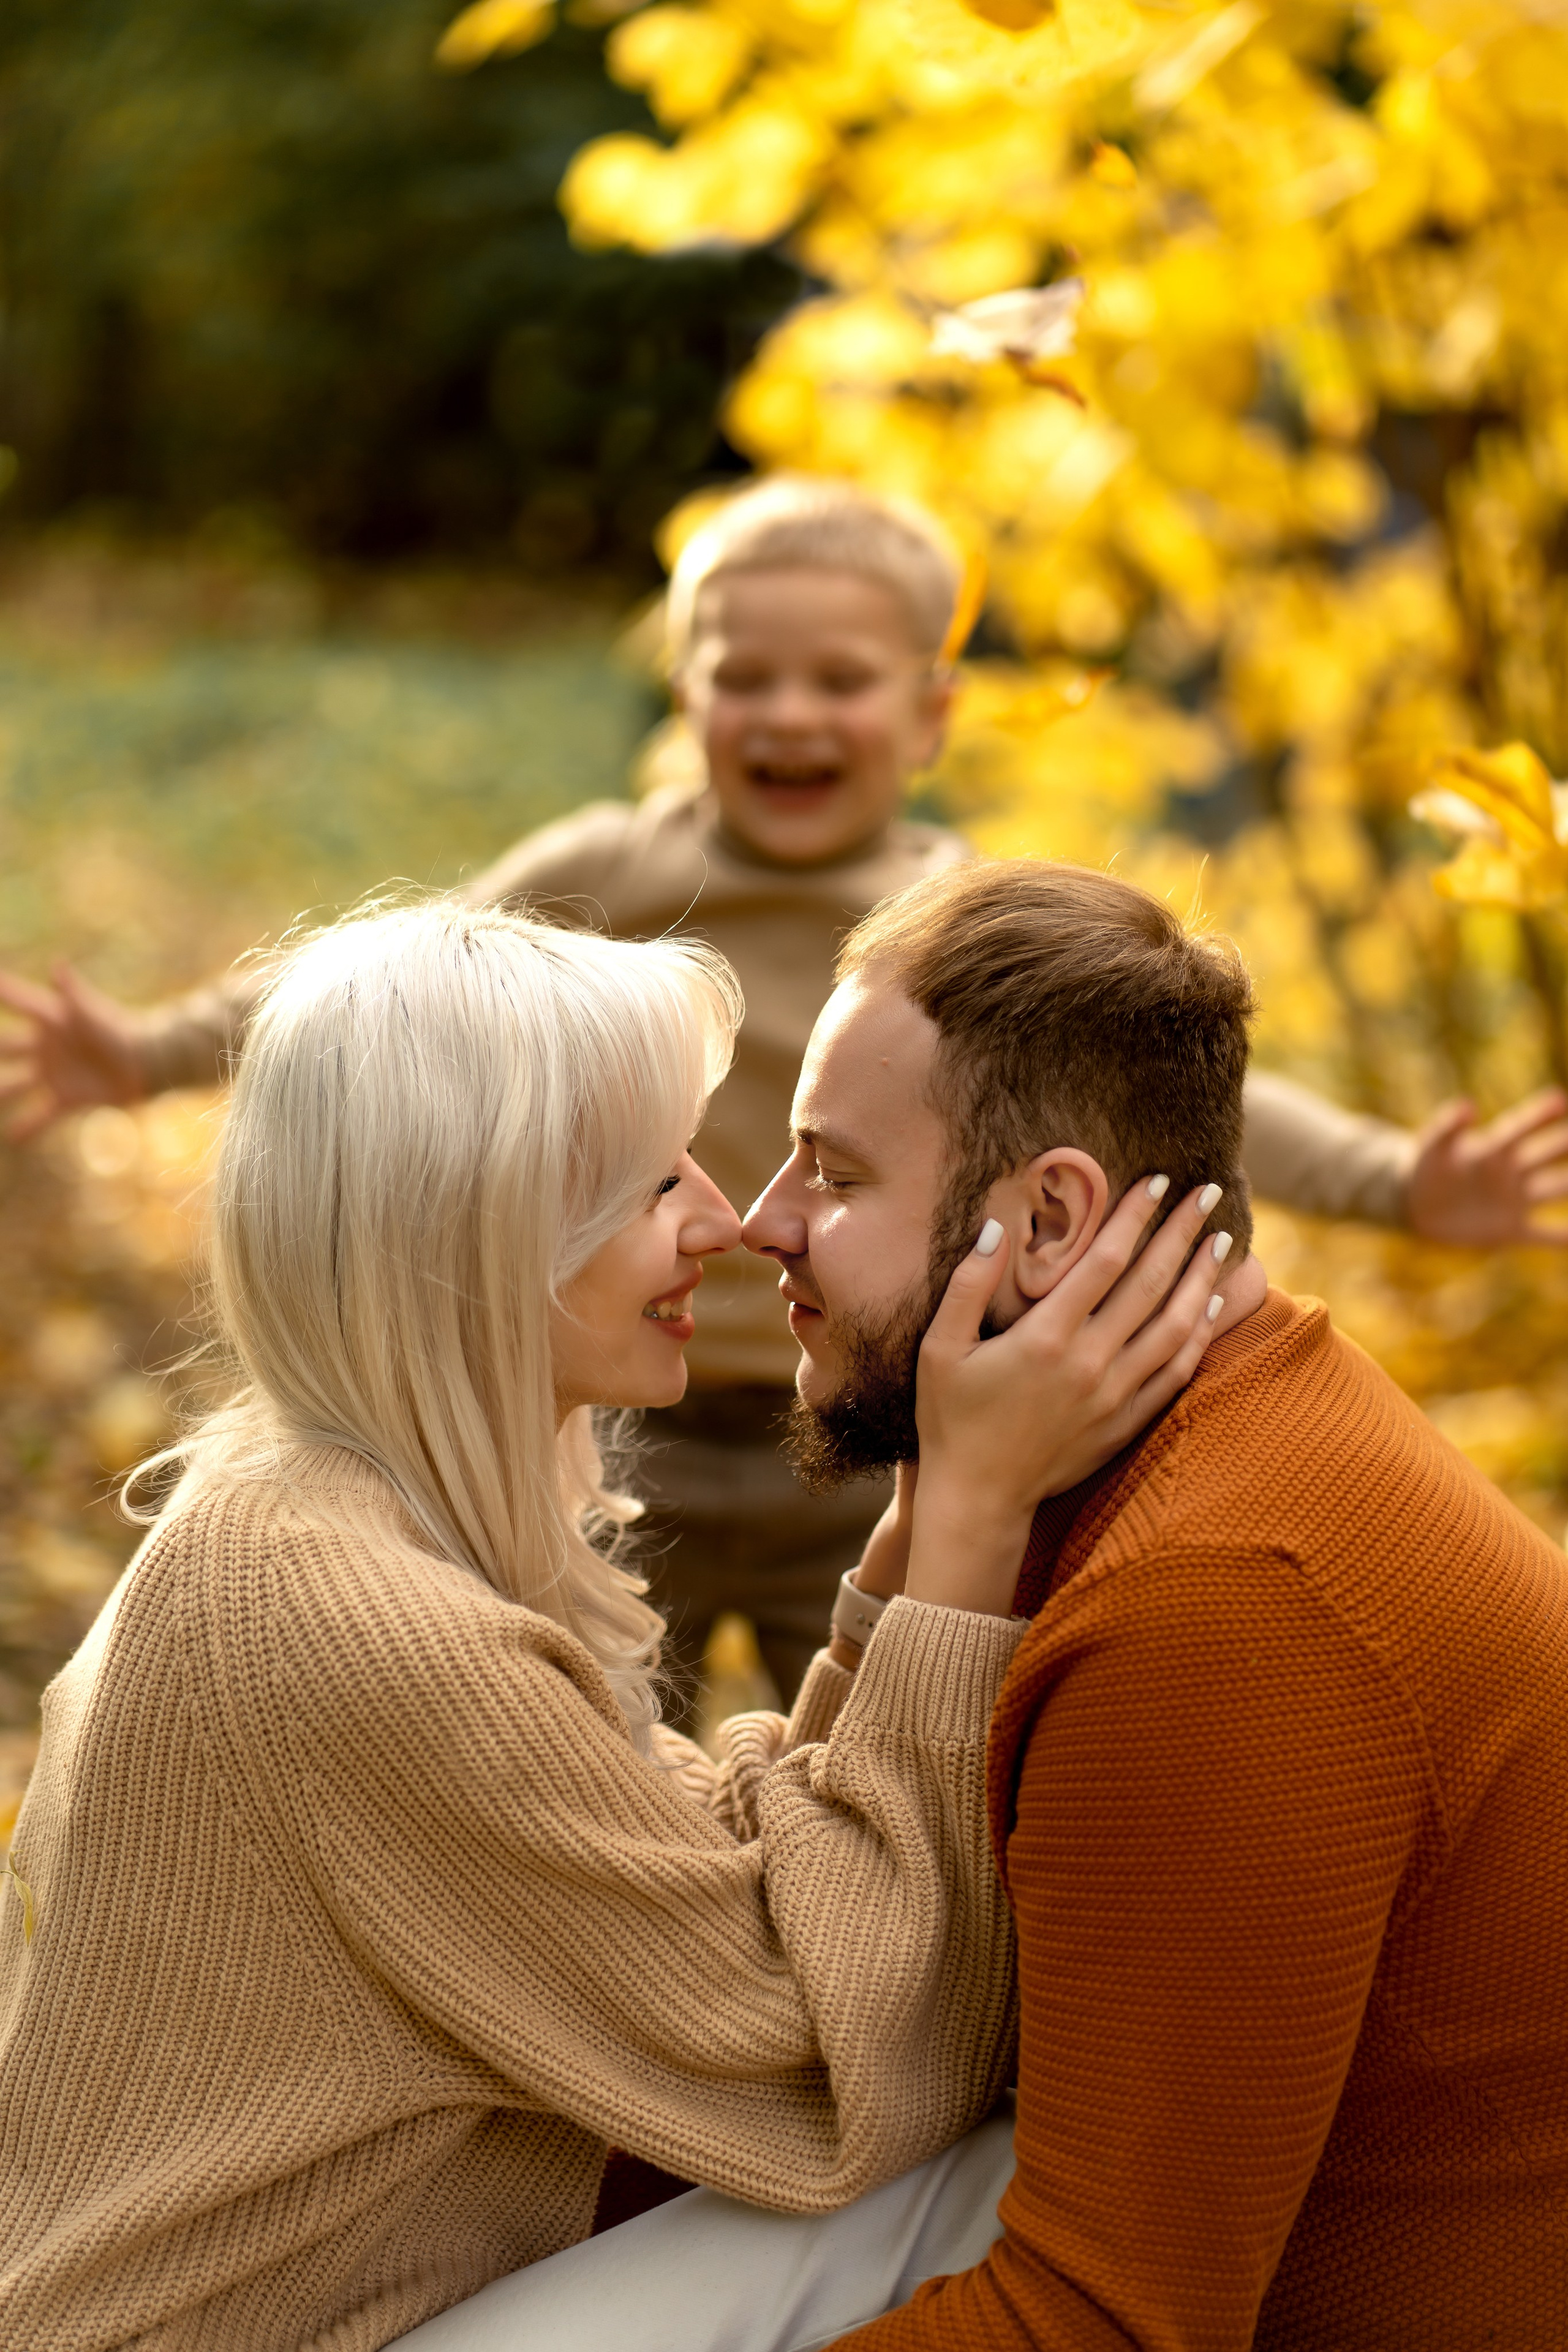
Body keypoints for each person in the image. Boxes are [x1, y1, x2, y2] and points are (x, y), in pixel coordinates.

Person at [4, 481, 1567, 1721]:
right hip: (640, 1419)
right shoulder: (610, 869)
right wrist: (137, 1055)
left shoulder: (956, 920)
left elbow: (1162, 1095)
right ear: (683, 696)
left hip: (864, 1417)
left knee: (894, 1690)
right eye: (742, 678)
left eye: (838, 680)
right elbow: (381, 1003)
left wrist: (1396, 1186)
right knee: (614, 1717)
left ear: (931, 714)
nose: (788, 715)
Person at [0, 896, 1229, 2351]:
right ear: (487, 1232)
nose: (723, 1219)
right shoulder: (355, 1627)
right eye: (656, 1182)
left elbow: (699, 1886)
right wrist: (969, 1526)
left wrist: (905, 1536)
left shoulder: (311, 1514)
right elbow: (840, 2072)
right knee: (993, 2184)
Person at [472, 858, 1568, 2352]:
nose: (764, 1227)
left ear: (1047, 1220)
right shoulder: (1155, 1454)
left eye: (836, 1175)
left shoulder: (1220, 1612)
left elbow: (1093, 2327)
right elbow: (824, 1974)